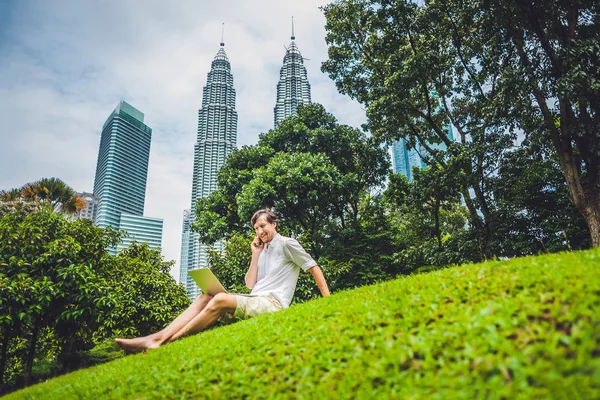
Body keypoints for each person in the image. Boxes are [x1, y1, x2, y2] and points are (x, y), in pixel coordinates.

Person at [115, 208, 330, 353]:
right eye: (256, 228)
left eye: (264, 226)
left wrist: (326, 300)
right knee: (204, 296)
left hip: (273, 304)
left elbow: (313, 267)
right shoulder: (262, 251)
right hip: (255, 299)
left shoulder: (287, 244)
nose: (260, 231)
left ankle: (164, 343)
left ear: (275, 224)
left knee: (218, 300)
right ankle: (157, 337)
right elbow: (250, 284)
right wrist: (255, 254)